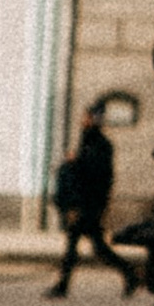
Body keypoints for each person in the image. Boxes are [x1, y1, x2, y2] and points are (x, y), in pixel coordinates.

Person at [46, 107, 136, 296]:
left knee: (82, 246)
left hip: (87, 206)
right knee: (93, 246)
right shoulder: (89, 142)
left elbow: (93, 178)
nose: (83, 121)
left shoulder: (100, 145)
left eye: (86, 118)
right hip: (87, 205)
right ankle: (129, 273)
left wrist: (74, 163)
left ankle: (63, 286)